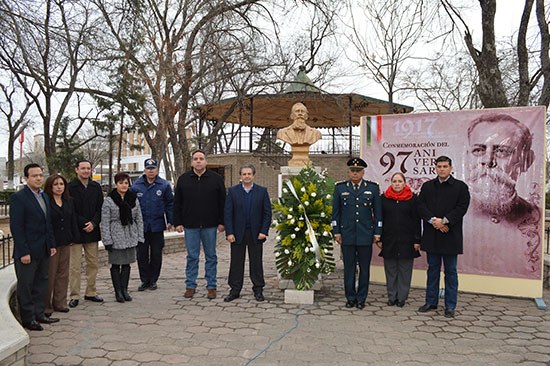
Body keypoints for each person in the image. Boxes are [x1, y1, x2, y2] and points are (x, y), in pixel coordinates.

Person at [417, 156, 470, 318]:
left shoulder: (460, 187)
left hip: (450, 235)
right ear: (435, 168)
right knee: (432, 270)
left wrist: (445, 221)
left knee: (451, 272)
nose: (442, 169)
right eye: (439, 166)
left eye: (445, 166)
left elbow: (462, 207)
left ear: (451, 168)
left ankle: (450, 305)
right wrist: (434, 221)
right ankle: (431, 302)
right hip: (432, 235)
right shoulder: (427, 186)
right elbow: (421, 206)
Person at [466, 113, 539, 226]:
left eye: (502, 151)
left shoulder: (535, 216)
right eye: (478, 150)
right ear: (467, 157)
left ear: (527, 161)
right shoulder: (448, 210)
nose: (488, 160)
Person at [10, 163, 58, 330]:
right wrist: (23, 251)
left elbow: (48, 223)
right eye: (34, 176)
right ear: (26, 178)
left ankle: (39, 314)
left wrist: (51, 244)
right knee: (27, 286)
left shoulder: (44, 196)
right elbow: (17, 227)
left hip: (44, 249)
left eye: (40, 175)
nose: (39, 178)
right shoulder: (19, 198)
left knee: (41, 283)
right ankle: (28, 319)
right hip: (27, 252)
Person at [173, 150, 226, 299]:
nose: (198, 161)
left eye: (201, 159)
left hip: (210, 225)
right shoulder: (183, 179)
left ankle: (211, 286)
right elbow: (177, 203)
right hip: (190, 225)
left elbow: (223, 202)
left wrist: (223, 222)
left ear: (206, 162)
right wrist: (178, 222)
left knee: (211, 256)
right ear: (192, 162)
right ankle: (190, 285)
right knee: (192, 257)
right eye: (195, 159)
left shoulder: (216, 179)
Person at [332, 157, 382, 309]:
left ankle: (361, 298)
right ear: (349, 172)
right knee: (349, 268)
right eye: (352, 171)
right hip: (346, 235)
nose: (355, 173)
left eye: (358, 171)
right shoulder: (340, 188)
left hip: (365, 235)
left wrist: (377, 232)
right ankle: (350, 297)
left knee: (364, 269)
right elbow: (336, 213)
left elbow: (378, 213)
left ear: (363, 172)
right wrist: (336, 232)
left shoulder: (372, 188)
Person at [223, 165, 272, 302]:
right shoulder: (233, 191)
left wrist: (264, 231)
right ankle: (235, 290)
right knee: (236, 263)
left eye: (249, 174)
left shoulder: (262, 191)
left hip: (256, 234)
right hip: (237, 234)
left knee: (256, 263)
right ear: (240, 176)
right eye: (244, 174)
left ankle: (258, 289)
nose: (247, 176)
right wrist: (229, 232)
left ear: (253, 175)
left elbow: (267, 213)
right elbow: (228, 213)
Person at [377, 172, 421, 308]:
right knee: (390, 270)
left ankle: (401, 297)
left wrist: (417, 240)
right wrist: (379, 238)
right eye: (394, 181)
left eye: (400, 181)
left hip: (407, 241)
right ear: (391, 183)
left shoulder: (413, 199)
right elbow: (380, 219)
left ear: (404, 183)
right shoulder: (384, 199)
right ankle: (392, 296)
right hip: (389, 240)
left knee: (405, 270)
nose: (397, 184)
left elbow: (416, 221)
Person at [131, 158, 174, 291]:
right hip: (141, 227)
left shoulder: (164, 185)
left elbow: (170, 204)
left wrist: (171, 221)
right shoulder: (136, 186)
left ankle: (153, 280)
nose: (151, 171)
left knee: (156, 254)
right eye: (148, 169)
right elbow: (131, 206)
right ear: (144, 170)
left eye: (153, 168)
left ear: (156, 169)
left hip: (157, 226)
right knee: (142, 255)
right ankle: (145, 280)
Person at [101, 172, 144, 303]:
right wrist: (107, 240)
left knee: (127, 264)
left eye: (126, 183)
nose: (124, 185)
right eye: (121, 183)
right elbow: (105, 221)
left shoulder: (133, 199)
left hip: (130, 235)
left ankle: (125, 290)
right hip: (116, 236)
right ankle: (117, 291)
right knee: (116, 265)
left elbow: (139, 219)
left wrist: (140, 236)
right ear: (116, 184)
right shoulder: (109, 200)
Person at [68, 160, 104, 307]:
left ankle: (91, 292)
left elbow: (100, 208)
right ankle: (74, 295)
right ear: (77, 170)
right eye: (83, 168)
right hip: (76, 232)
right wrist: (84, 223)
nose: (86, 171)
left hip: (92, 231)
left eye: (88, 168)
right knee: (75, 266)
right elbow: (70, 210)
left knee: (92, 264)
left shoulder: (96, 187)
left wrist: (94, 223)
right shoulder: (70, 187)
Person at [43, 174, 79, 317]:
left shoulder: (69, 201)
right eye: (56, 184)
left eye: (62, 184)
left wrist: (73, 237)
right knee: (50, 275)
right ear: (50, 187)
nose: (59, 187)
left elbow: (73, 220)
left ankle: (60, 303)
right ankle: (46, 306)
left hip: (66, 242)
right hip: (52, 244)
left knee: (63, 274)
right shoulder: (46, 201)